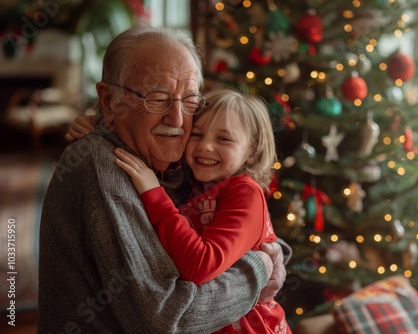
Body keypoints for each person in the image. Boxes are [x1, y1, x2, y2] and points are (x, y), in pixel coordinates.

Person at [39, 24, 287, 333]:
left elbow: (228, 223)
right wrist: (258, 269)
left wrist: (275, 251)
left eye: (190, 100)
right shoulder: (103, 167)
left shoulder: (174, 159)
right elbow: (166, 318)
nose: (178, 119)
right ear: (109, 101)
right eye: (158, 98)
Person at [70, 88, 292, 333]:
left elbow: (200, 266)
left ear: (252, 151)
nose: (205, 146)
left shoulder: (245, 193)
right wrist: (99, 125)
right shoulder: (195, 181)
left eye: (224, 139)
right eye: (196, 134)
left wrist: (153, 193)